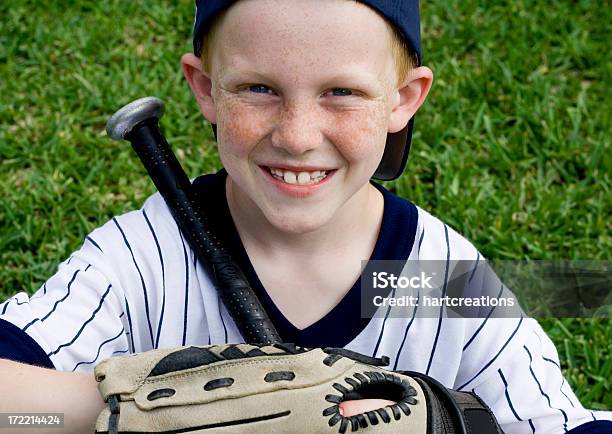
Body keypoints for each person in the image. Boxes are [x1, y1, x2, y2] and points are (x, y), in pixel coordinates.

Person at [0, 1, 609, 433]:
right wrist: (140, 410)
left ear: (403, 98)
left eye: (340, 92)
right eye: (259, 88)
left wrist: (443, 423)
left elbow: (555, 423)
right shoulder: (147, 260)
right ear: (205, 87)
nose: (296, 136)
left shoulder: (428, 279)